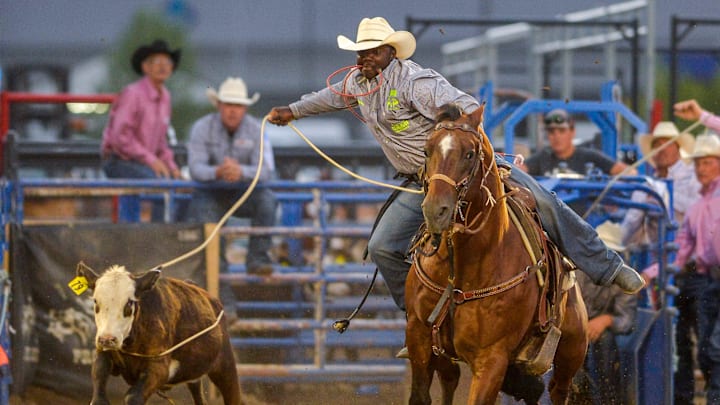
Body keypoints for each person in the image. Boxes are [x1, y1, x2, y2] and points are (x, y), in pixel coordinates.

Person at [267, 16, 644, 316]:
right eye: (359, 52)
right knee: (382, 247)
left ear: (389, 53)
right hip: (422, 182)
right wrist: (292, 112)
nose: (362, 58)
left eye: (370, 52)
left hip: (467, 171)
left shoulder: (417, 82)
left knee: (544, 202)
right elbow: (329, 97)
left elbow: (465, 105)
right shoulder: (358, 83)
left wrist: (452, 122)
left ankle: (608, 268)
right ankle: (417, 313)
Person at [185, 77, 277, 276]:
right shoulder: (202, 127)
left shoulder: (255, 129)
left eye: (238, 105)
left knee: (267, 201)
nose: (233, 110)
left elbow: (266, 170)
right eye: (228, 104)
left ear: (244, 108)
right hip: (211, 191)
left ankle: (257, 260)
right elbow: (195, 168)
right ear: (219, 105)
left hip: (242, 190)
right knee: (205, 218)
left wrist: (240, 171)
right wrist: (219, 172)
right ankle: (217, 270)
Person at [101, 39, 182, 221]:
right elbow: (120, 138)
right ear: (146, 67)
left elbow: (161, 142)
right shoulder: (133, 94)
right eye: (157, 62)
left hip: (140, 162)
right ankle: (158, 239)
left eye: (167, 62)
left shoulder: (166, 97)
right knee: (161, 189)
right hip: (119, 160)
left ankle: (156, 236)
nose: (163, 67)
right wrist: (152, 160)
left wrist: (172, 166)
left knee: (179, 186)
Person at [672, 134, 720, 403]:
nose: (702, 168)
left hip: (711, 280)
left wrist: (702, 115)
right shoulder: (696, 208)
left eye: (708, 162)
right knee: (704, 350)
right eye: (699, 163)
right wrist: (651, 273)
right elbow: (680, 251)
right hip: (709, 279)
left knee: (714, 349)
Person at [572, 221, 637, 405]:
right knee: (571, 345)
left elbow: (628, 320)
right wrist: (581, 324)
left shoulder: (624, 279)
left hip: (599, 333)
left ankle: (609, 401)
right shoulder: (577, 269)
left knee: (606, 343)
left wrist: (606, 320)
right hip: (574, 325)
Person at [521, 109, 630, 177]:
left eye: (562, 131)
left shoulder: (589, 156)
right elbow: (518, 171)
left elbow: (628, 172)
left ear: (572, 132)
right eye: (551, 131)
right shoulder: (542, 158)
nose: (556, 136)